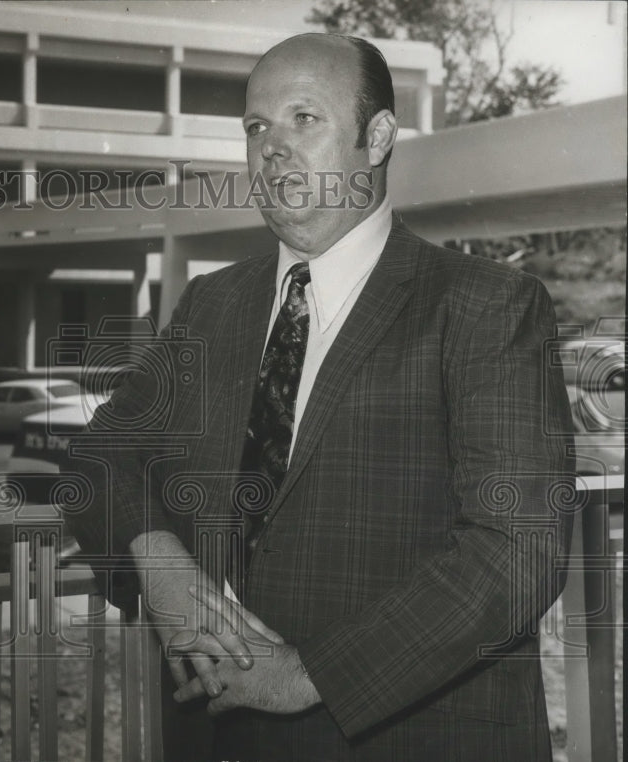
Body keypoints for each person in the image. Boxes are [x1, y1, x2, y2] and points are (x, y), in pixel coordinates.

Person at [63, 32, 575, 761]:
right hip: (215, 739)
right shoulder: (212, 304)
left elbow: (519, 549)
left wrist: (310, 677)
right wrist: (156, 559)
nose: (271, 148)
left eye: (304, 119)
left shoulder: (487, 306)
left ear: (377, 137)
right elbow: (98, 458)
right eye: (255, 126)